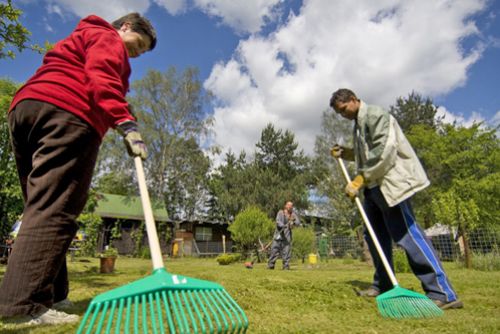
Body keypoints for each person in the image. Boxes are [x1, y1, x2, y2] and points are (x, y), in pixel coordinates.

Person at [0, 13, 156, 325]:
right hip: (68, 113)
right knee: (55, 208)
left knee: (42, 206)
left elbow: (96, 77)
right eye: (138, 45)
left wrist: (122, 107)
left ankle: (54, 294)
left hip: (26, 110)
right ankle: (22, 306)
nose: (136, 54)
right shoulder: (108, 37)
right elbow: (101, 76)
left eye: (141, 52)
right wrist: (126, 124)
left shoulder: (84, 35)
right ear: (125, 27)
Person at [329, 88, 462, 310]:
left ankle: (442, 292)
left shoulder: (376, 115)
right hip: (372, 189)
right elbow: (366, 153)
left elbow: (384, 151)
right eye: (339, 113)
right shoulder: (359, 124)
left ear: (353, 99)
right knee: (375, 237)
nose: (343, 115)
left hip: (389, 185)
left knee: (407, 235)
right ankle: (385, 285)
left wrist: (360, 178)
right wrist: (346, 152)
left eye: (344, 110)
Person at [267, 201, 301, 270]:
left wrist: (293, 222)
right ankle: (271, 265)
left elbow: (298, 222)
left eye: (291, 206)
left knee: (286, 252)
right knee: (274, 251)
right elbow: (278, 221)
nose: (290, 207)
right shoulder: (280, 212)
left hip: (287, 237)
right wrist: (283, 225)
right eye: (288, 205)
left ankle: (286, 266)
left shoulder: (293, 214)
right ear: (285, 206)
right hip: (278, 235)